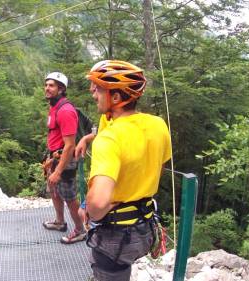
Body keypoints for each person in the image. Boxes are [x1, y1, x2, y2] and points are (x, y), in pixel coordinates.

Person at [83, 60, 172, 281]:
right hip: (146, 226)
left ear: (115, 98)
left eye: (99, 89)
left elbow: (96, 207)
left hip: (116, 234)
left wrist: (100, 207)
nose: (94, 94)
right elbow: (158, 166)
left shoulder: (109, 138)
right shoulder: (158, 124)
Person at [41, 72, 87, 244]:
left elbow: (70, 145)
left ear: (61, 89)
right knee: (54, 190)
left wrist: (58, 171)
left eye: (51, 85)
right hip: (54, 156)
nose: (47, 88)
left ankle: (81, 230)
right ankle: (60, 222)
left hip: (64, 159)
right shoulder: (54, 106)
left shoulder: (66, 111)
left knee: (69, 197)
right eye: (46, 85)